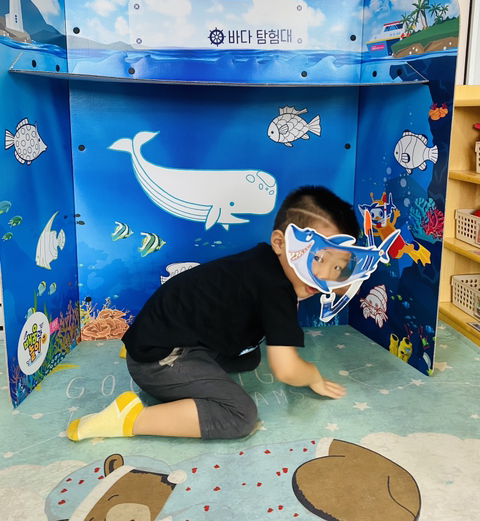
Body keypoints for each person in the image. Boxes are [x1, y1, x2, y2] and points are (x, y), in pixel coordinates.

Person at [67, 185, 360, 442]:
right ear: (280, 243)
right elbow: (285, 369)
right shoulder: (276, 288)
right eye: (317, 257)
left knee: (250, 357)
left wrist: (341, 283)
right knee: (240, 416)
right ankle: (129, 418)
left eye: (338, 266)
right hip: (158, 359)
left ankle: (146, 346)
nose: (324, 275)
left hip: (168, 335)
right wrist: (311, 375)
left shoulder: (265, 262)